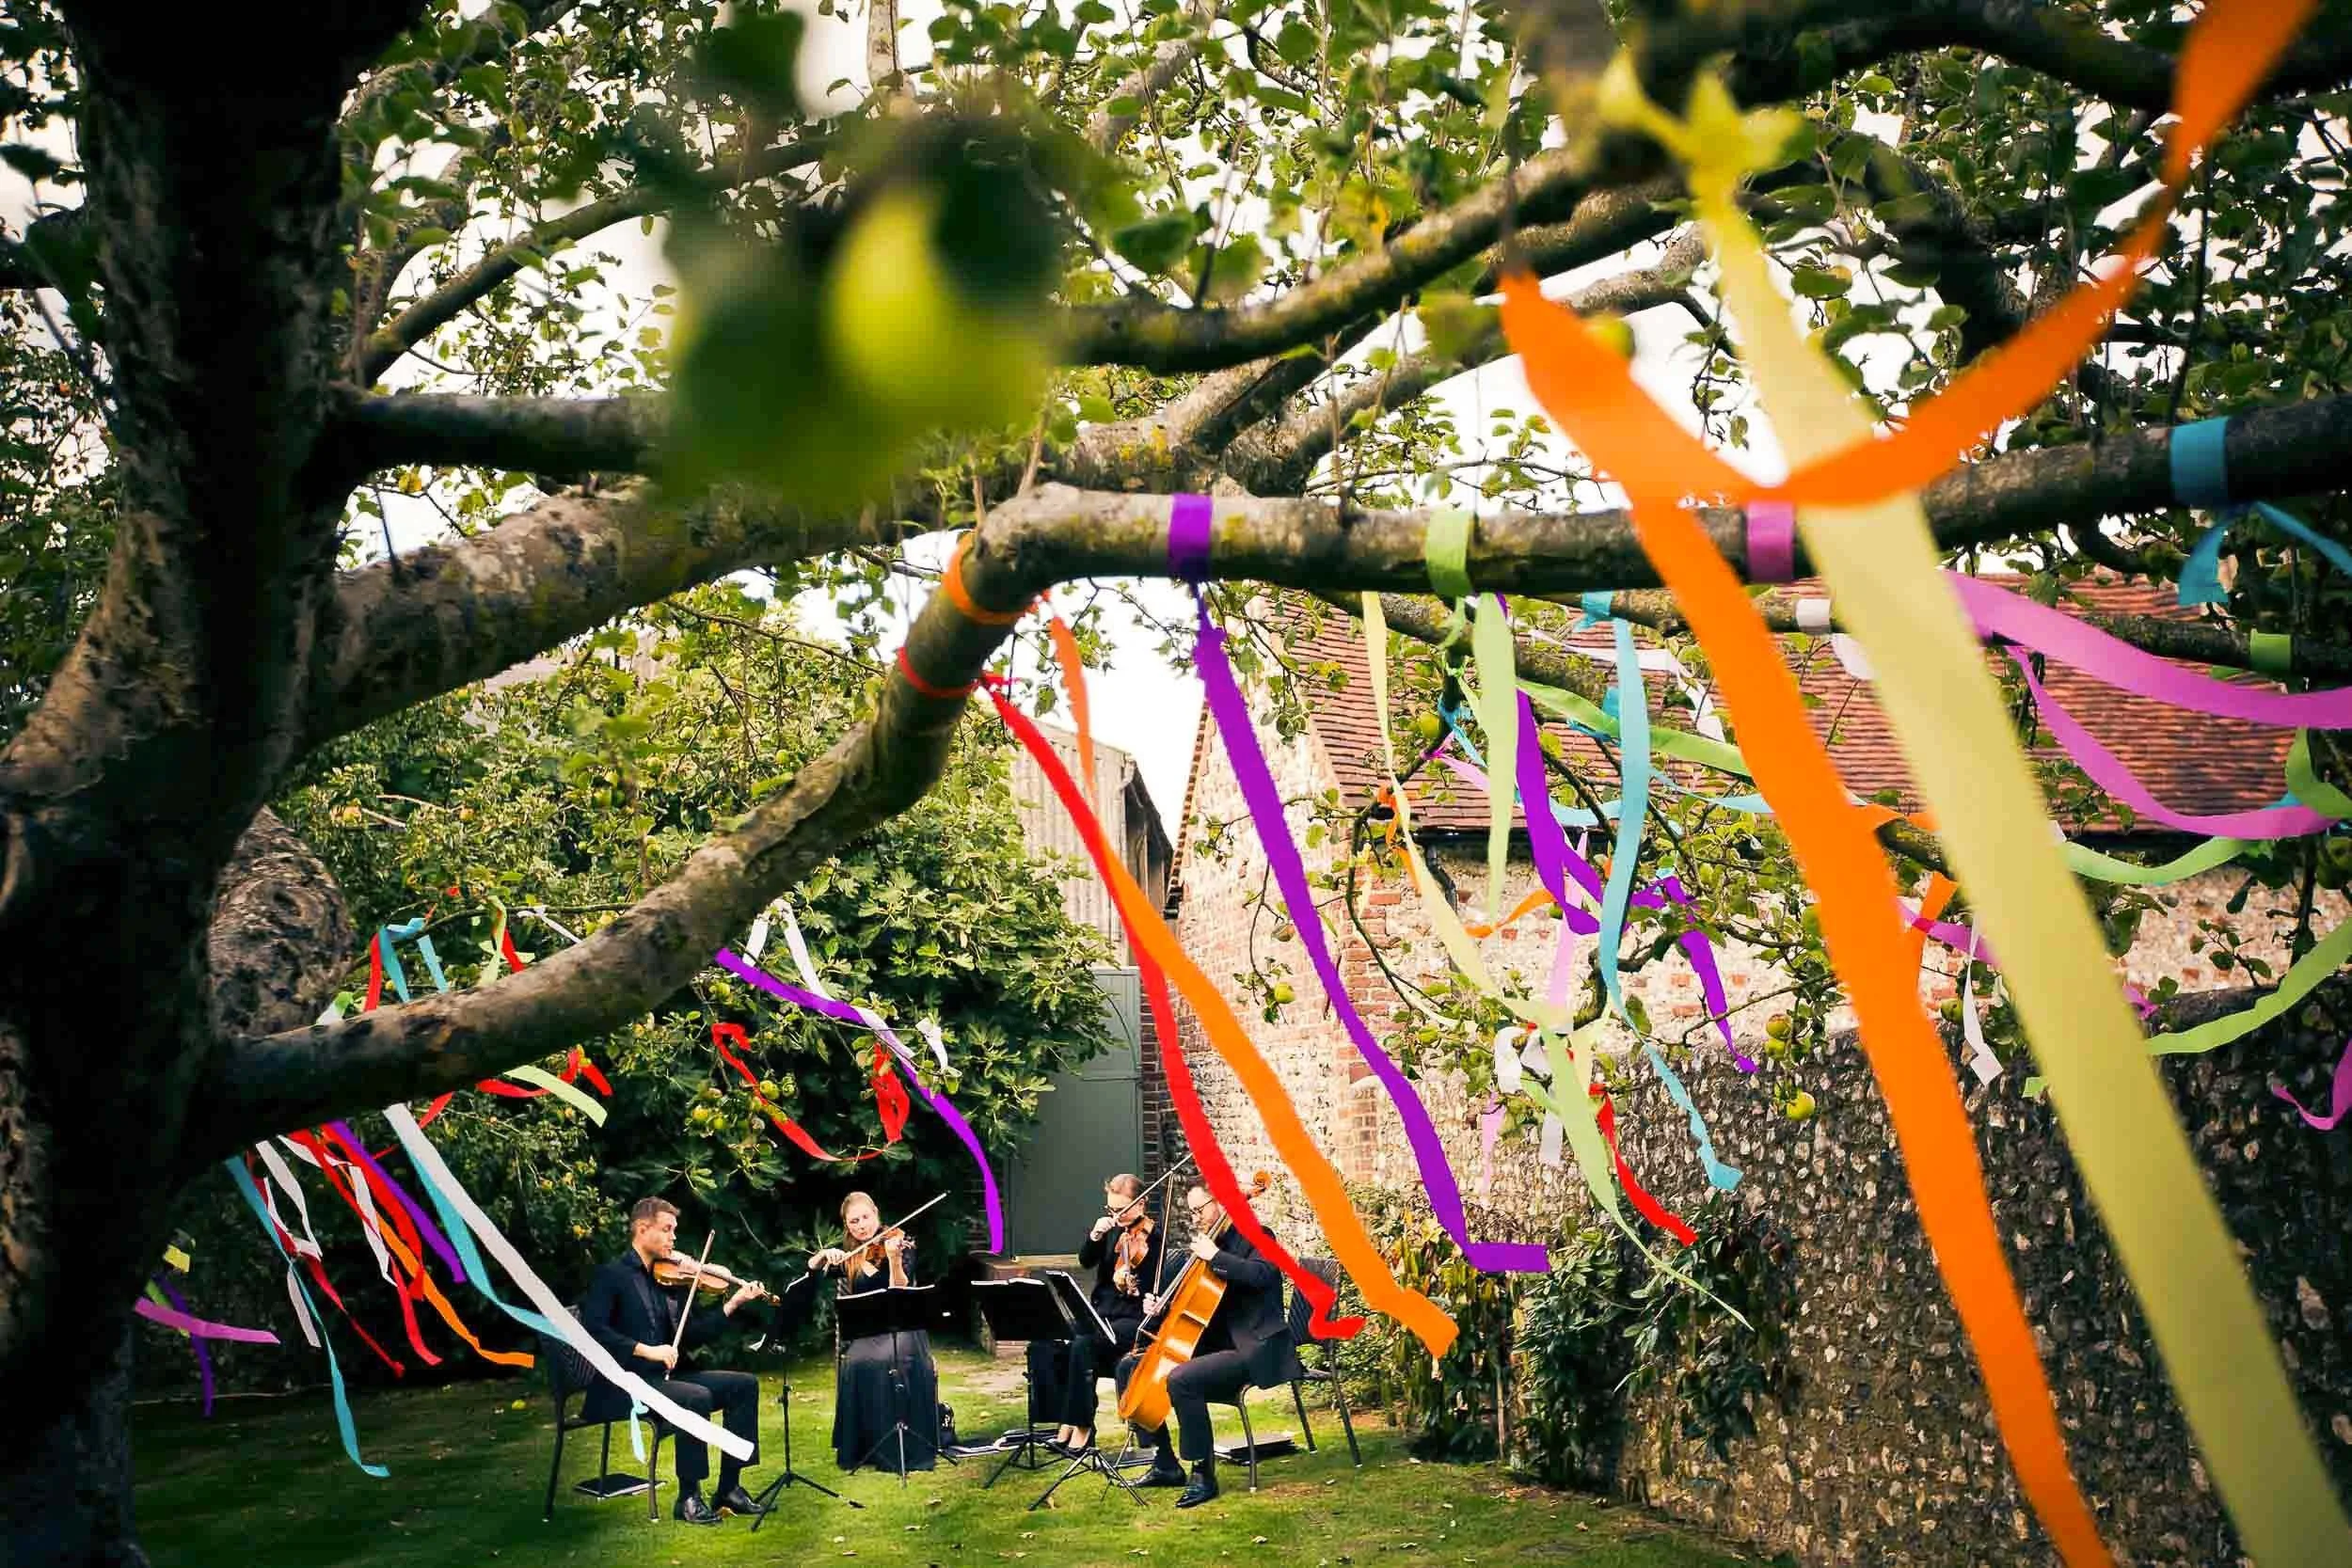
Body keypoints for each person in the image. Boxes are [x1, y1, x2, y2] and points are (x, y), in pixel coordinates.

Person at [578, 1196, 771, 1525]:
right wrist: (646, 1349)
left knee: (743, 1385)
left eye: (674, 1231)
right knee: (695, 1397)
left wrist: (733, 1303)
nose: (673, 1238)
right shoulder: (612, 1275)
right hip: (623, 1383)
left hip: (664, 1378)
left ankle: (729, 1488)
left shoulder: (667, 1278)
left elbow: (691, 1333)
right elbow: (593, 1330)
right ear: (642, 1229)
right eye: (667, 1230)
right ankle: (689, 1497)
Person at [1113, 1183, 1298, 1509]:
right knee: (1130, 1366)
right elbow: (1191, 1302)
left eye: (1199, 1210)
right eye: (1192, 1211)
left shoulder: (1258, 1235)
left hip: (1253, 1346)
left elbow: (1263, 1275)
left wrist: (1216, 1257)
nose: (1195, 1218)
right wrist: (1160, 1307)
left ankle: (1203, 1473)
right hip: (1216, 1343)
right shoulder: (1211, 1244)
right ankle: (1165, 1462)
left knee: (1183, 1379)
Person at [1026, 1173, 1164, 1453]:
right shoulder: (1112, 1230)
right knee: (1050, 1340)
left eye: (1122, 1210)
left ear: (1141, 1204)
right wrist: (1095, 1235)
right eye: (1112, 1209)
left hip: (1133, 1319)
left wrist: (1134, 1285)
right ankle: (1061, 1418)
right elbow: (1086, 1261)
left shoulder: (1156, 1238)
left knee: (1083, 1345)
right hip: (1102, 1313)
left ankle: (1082, 1427)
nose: (1117, 1216)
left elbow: (1157, 1285)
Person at [813, 1189, 941, 1474]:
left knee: (891, 1359)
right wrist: (823, 1256)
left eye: (865, 1217)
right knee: (857, 1361)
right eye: (854, 1221)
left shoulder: (898, 1242)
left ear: (876, 1214)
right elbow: (812, 1274)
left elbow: (901, 1289)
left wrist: (894, 1259)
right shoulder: (850, 1255)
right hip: (867, 1330)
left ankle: (901, 1444)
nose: (861, 1225)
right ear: (847, 1226)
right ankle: (865, 1446)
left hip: (903, 1325)